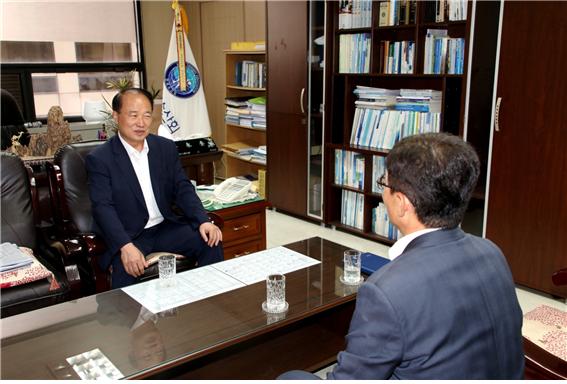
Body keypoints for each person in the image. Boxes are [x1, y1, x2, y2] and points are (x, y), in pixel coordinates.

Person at [279, 133, 524, 379]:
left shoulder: (386, 290)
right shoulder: (491, 251)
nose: (382, 192)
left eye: (383, 183)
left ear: (401, 203)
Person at [86, 88, 223, 289]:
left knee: (210, 241)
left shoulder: (165, 148)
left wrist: (203, 220)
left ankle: (210, 304)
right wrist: (125, 246)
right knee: (125, 270)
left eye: (146, 115)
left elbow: (182, 188)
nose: (141, 123)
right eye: (133, 115)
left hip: (165, 226)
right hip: (130, 234)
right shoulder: (100, 159)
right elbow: (102, 207)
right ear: (116, 116)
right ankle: (125, 320)